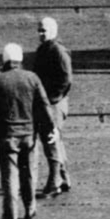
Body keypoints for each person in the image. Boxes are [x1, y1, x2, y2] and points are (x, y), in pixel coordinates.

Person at [0, 41, 53, 219]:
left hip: (7, 136)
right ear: (20, 60)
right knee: (28, 174)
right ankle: (30, 208)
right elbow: (44, 106)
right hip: (29, 135)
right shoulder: (32, 78)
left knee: (10, 178)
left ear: (4, 60)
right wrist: (50, 128)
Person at [32, 16, 73, 195]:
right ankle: (63, 178)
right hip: (50, 102)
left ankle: (54, 182)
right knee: (56, 141)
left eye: (44, 30)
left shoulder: (57, 51)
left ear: (53, 31)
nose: (40, 34)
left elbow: (66, 78)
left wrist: (51, 99)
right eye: (39, 30)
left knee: (51, 141)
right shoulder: (46, 48)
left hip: (53, 104)